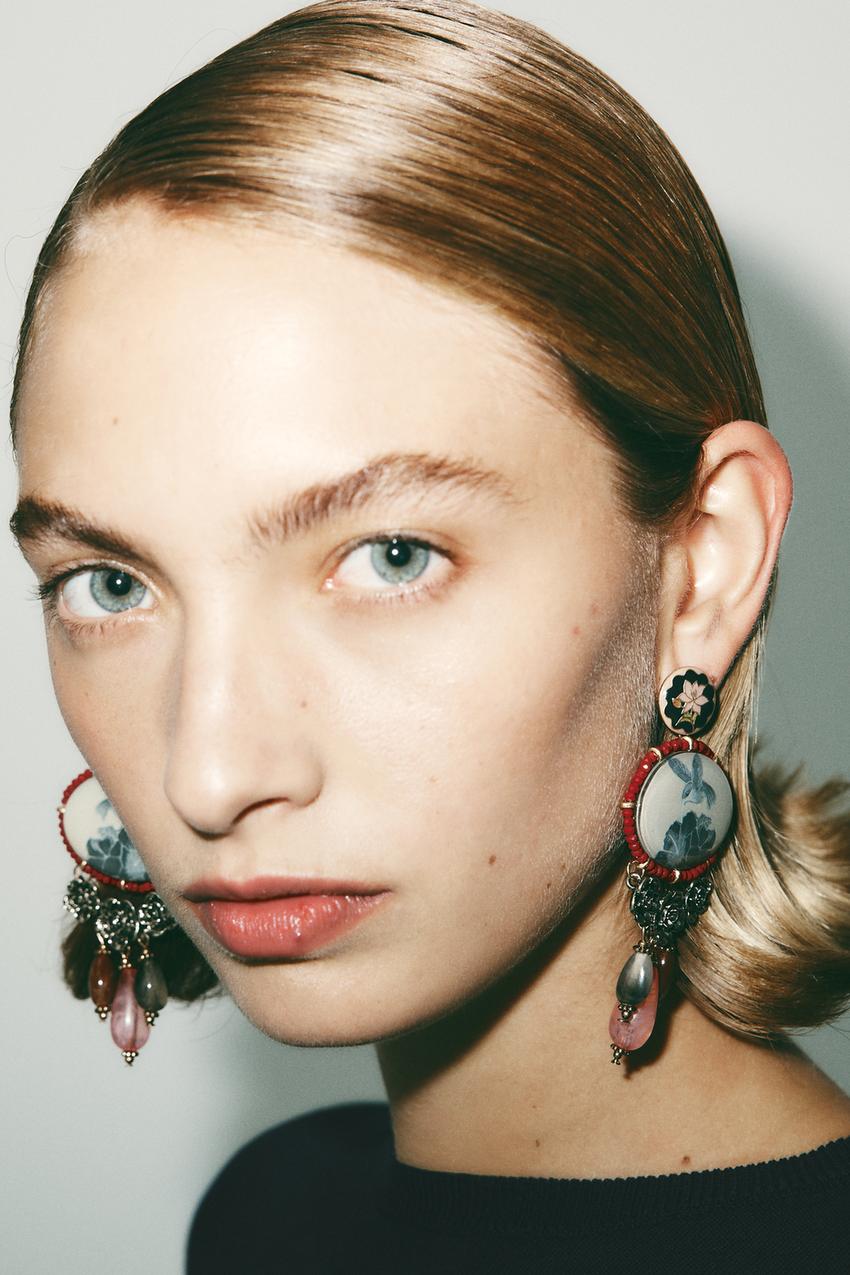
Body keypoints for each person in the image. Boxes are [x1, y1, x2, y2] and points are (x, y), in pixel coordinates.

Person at [8, 1, 850, 1270]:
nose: (211, 774)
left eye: (391, 556)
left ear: (703, 562)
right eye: (109, 585)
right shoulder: (274, 1218)